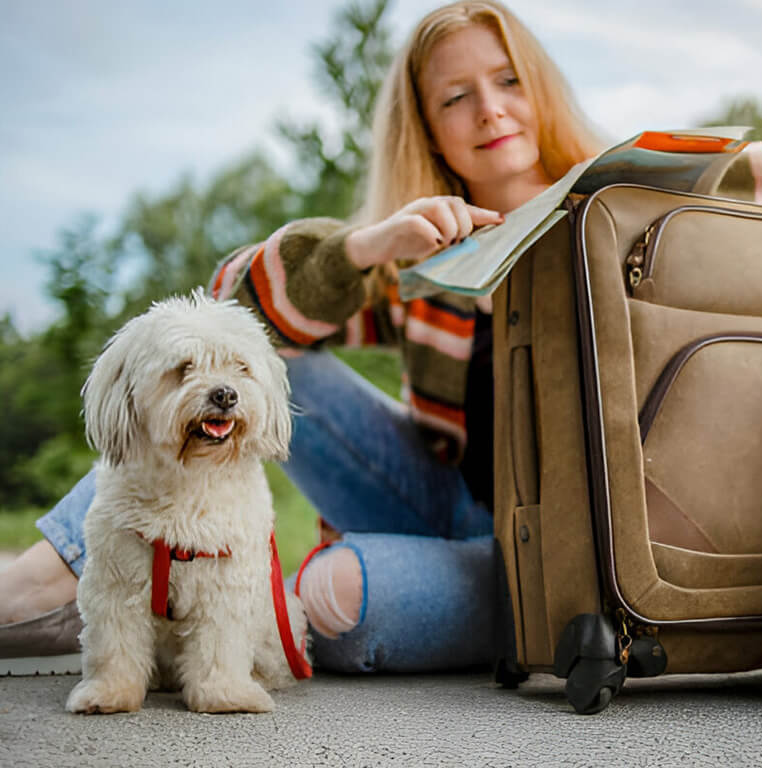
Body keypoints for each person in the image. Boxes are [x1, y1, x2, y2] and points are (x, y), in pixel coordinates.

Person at [0, 0, 602, 675]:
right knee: (258, 364)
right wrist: (367, 247)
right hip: (439, 501)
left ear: (541, 86)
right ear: (429, 131)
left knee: (335, 598)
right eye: (455, 98)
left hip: (557, 552)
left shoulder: (624, 219)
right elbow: (232, 312)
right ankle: (42, 585)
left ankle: (201, 610)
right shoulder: (433, 256)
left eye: (509, 80)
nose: (489, 110)